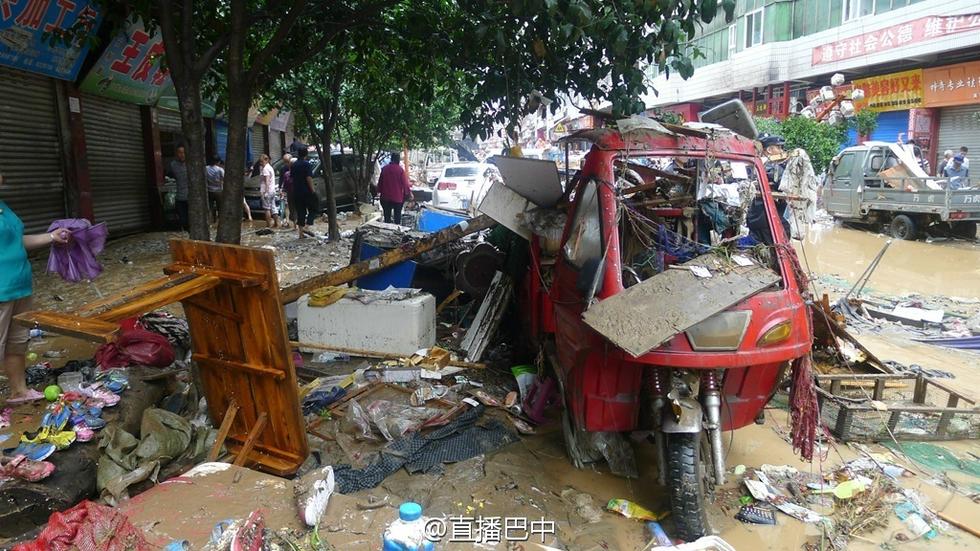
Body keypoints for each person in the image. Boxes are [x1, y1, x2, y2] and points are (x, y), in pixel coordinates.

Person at [1, 171, 71, 404]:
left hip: (19, 285)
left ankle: (19, 391)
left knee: (17, 341)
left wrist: (51, 237)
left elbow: (15, 241)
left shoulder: (3, 206)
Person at [377, 152, 413, 224]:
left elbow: (380, 183)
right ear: (398, 160)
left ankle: (387, 231)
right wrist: (409, 193)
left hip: (385, 197)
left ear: (391, 159)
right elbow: (405, 184)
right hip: (397, 198)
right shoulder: (400, 170)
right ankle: (397, 231)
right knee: (397, 217)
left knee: (387, 218)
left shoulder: (384, 169)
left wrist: (378, 191)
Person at [290, 148, 318, 238]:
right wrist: (313, 190)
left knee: (300, 212)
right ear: (306, 154)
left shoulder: (294, 165)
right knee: (314, 208)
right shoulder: (307, 164)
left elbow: (292, 178)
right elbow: (308, 178)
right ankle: (307, 226)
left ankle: (301, 234)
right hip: (306, 191)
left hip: (296, 192)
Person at [167, 145, 189, 231]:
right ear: (176, 154)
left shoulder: (191, 164)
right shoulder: (173, 165)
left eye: (183, 152)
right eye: (179, 152)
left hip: (191, 196)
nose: (182, 154)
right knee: (183, 220)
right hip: (180, 196)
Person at [259, 154, 280, 228]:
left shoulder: (265, 169)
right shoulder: (270, 168)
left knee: (267, 208)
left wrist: (266, 192)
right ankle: (276, 224)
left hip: (267, 191)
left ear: (266, 160)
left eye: (261, 161)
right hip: (272, 190)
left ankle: (268, 225)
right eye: (260, 162)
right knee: (273, 207)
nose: (261, 163)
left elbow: (267, 181)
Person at [206, 157, 224, 224]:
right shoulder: (220, 170)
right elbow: (224, 178)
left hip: (209, 190)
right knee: (220, 207)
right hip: (219, 191)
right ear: (218, 162)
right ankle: (220, 222)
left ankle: (211, 221)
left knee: (210, 207)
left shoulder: (206, 168)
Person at [280, 154, 295, 228]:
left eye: (287, 161)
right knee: (287, 205)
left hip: (290, 190)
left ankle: (293, 222)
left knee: (289, 206)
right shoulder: (284, 169)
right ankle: (289, 221)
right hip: (288, 190)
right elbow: (281, 180)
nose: (286, 163)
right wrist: (281, 190)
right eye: (285, 161)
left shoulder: (294, 169)